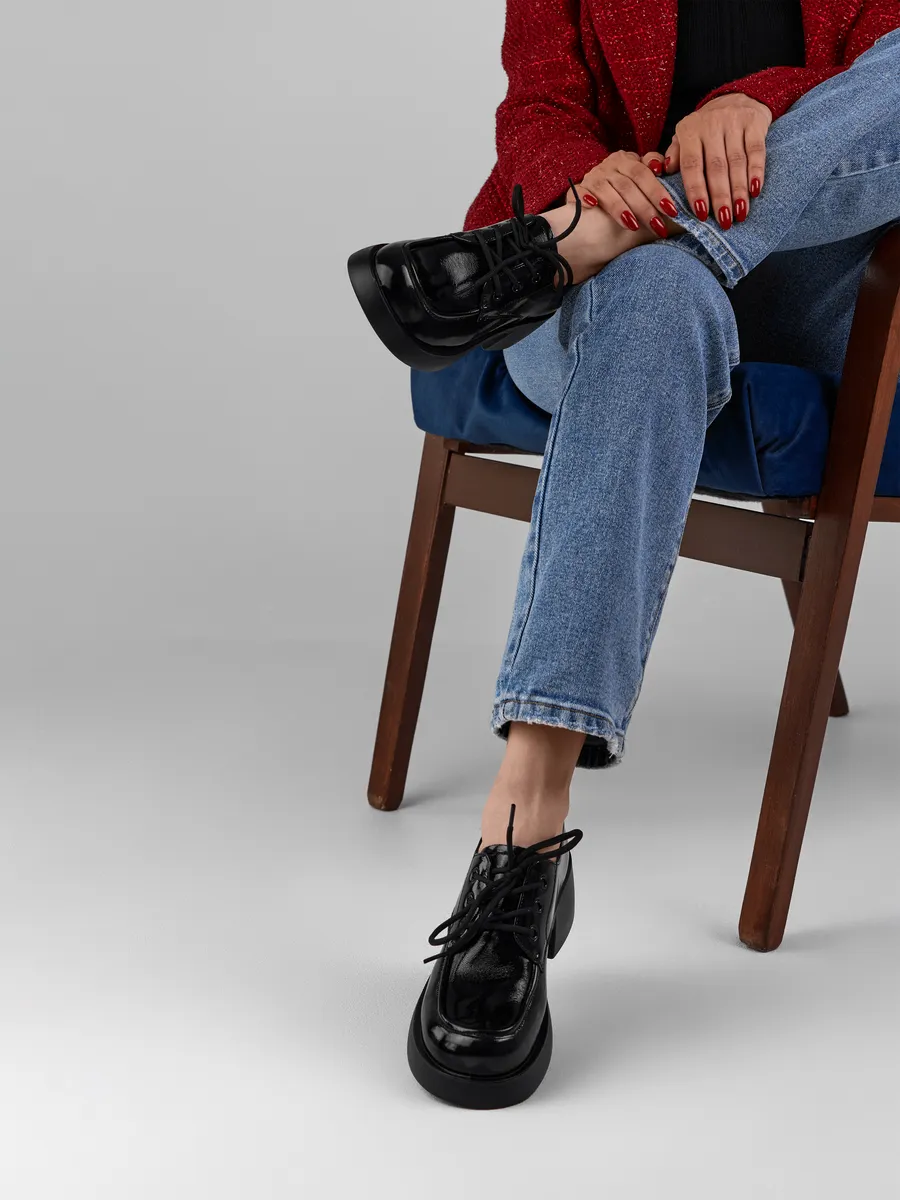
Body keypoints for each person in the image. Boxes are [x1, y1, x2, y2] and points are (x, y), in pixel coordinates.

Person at [346, 2, 900, 1109]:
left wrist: (751, 105)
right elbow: (538, 108)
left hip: (810, 278)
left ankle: (579, 243)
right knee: (651, 296)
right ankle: (524, 837)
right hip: (607, 299)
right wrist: (593, 181)